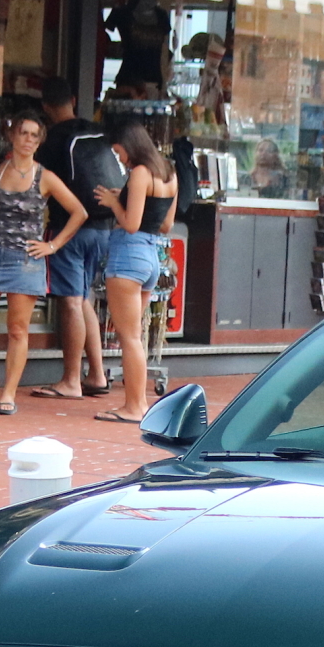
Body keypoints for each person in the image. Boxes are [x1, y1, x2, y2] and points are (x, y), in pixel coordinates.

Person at [0, 112, 87, 415]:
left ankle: (9, 393)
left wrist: (52, 245)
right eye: (23, 133)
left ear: (39, 140)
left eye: (34, 135)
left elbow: (79, 212)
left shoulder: (45, 177)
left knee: (18, 330)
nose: (28, 140)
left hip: (26, 259)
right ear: (12, 136)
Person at [89, 120, 180, 424]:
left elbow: (130, 223)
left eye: (119, 152)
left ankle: (133, 406)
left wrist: (116, 202)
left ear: (130, 147)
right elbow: (165, 224)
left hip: (128, 253)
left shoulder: (140, 173)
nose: (120, 159)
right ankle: (137, 402)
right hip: (152, 256)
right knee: (135, 336)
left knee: (128, 337)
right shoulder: (169, 172)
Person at [28, 78, 112, 400]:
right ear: (73, 100)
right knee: (84, 297)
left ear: (46, 107)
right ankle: (97, 375)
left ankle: (71, 380)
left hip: (69, 230)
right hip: (103, 229)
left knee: (70, 302)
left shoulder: (52, 142)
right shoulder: (96, 131)